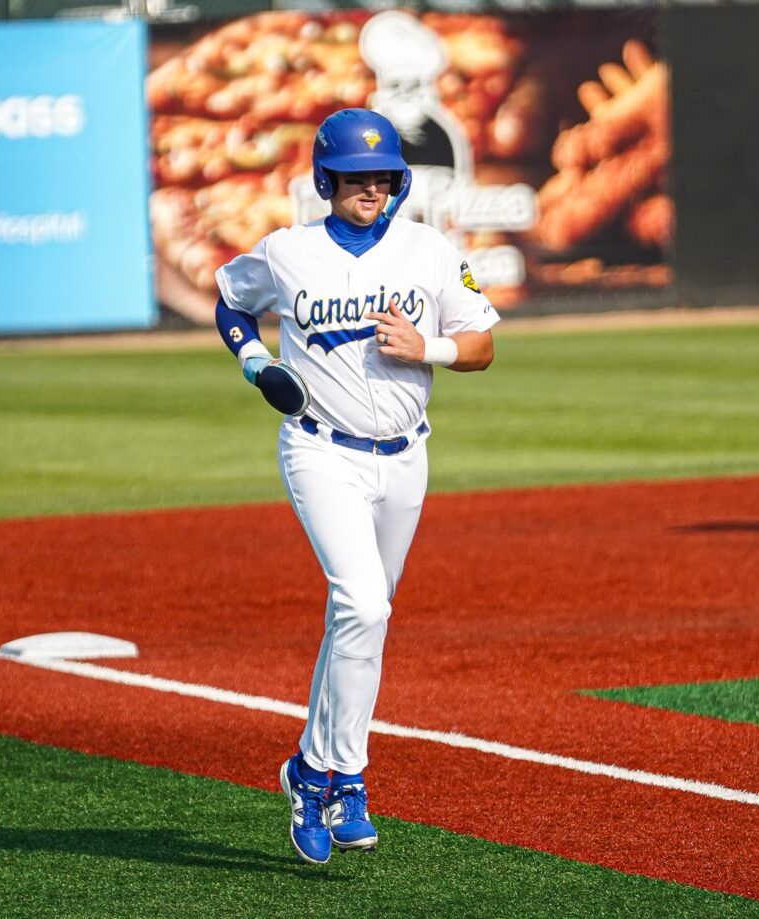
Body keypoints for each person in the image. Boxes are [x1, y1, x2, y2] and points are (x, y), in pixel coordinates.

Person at [214, 108, 498, 865]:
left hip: (406, 459)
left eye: (381, 176)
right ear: (325, 180)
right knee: (363, 603)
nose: (369, 188)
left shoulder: (428, 250)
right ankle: (346, 779)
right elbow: (230, 299)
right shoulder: (289, 251)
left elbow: (482, 345)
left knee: (362, 619)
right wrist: (254, 362)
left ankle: (311, 772)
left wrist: (429, 346)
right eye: (353, 176)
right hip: (320, 451)